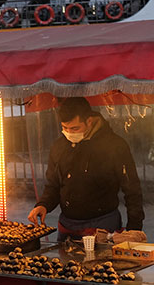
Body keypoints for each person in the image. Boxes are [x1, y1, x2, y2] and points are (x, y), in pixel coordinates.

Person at [28, 97, 144, 240]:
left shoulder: (115, 146)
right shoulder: (59, 147)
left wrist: (134, 227)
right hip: (67, 225)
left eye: (75, 128)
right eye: (65, 128)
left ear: (89, 121)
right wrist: (43, 205)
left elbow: (132, 189)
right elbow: (53, 184)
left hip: (103, 224)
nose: (69, 133)